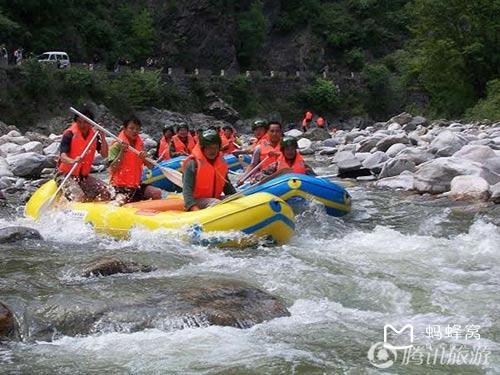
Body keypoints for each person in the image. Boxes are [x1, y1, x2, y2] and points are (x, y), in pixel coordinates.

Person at [57, 107, 111, 202]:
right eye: (79, 122)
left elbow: (104, 154)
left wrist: (102, 136)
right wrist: (73, 161)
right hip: (65, 175)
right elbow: (63, 156)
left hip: (83, 177)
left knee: (106, 192)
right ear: (75, 122)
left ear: (91, 123)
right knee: (78, 197)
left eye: (85, 122)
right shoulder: (69, 134)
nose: (82, 125)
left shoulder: (94, 136)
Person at [108, 117, 162, 205]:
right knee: (120, 201)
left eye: (137, 129)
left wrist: (144, 158)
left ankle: (154, 215)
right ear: (124, 129)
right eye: (131, 128)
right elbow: (112, 168)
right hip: (119, 186)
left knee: (157, 193)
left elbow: (151, 166)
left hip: (135, 185)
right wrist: (122, 152)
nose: (135, 131)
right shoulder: (116, 145)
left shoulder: (140, 145)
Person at [182, 129, 236, 211]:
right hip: (197, 201)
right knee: (215, 202)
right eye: (209, 148)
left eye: (215, 148)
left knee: (236, 198)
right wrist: (193, 207)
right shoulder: (193, 163)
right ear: (203, 148)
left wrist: (236, 197)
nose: (213, 151)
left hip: (214, 198)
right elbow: (187, 190)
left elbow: (227, 185)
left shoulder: (221, 162)